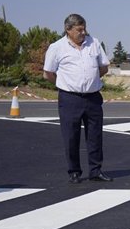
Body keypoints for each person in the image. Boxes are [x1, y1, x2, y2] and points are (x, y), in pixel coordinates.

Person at [43, 14, 113, 184]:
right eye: (79, 30)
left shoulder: (94, 43)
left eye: (84, 28)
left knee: (95, 136)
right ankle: (74, 171)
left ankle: (96, 171)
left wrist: (91, 81)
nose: (83, 32)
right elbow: (48, 74)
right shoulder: (57, 47)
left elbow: (103, 67)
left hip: (93, 98)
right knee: (71, 136)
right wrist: (65, 84)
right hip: (69, 98)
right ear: (68, 30)